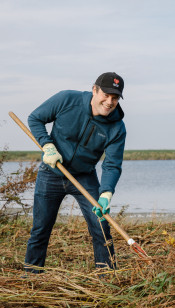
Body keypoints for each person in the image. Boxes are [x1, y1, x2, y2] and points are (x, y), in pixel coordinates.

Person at [24, 72, 126, 273]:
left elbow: (112, 164)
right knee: (40, 229)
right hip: (51, 172)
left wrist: (106, 194)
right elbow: (35, 118)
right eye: (106, 94)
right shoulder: (67, 99)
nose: (109, 101)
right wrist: (48, 146)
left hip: (84, 176)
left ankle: (107, 275)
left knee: (101, 226)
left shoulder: (117, 127)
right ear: (94, 90)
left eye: (115, 98)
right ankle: (31, 277)